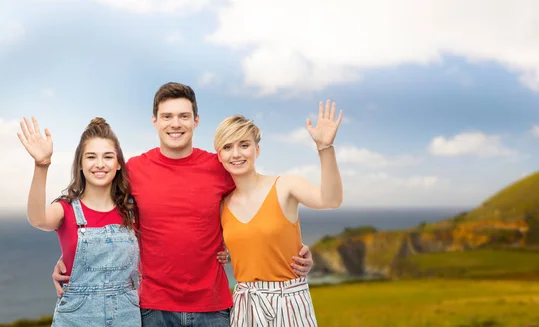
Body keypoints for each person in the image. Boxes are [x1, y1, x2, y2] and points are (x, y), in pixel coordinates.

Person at [51, 82, 315, 327]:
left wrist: (294, 246)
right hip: (153, 308)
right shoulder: (134, 170)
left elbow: (259, 203)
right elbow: (105, 211)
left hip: (213, 308)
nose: (175, 124)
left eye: (183, 116)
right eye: (167, 116)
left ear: (195, 121)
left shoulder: (220, 166)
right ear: (155, 121)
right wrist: (72, 256)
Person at [214, 99, 343, 326]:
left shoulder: (286, 186)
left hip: (290, 301)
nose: (236, 154)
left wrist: (325, 148)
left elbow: (330, 200)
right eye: (227, 147)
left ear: (257, 150)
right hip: (246, 305)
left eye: (244, 145)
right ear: (219, 155)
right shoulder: (221, 205)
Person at [18, 117, 141, 326]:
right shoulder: (66, 209)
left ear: (119, 163)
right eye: (91, 157)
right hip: (76, 318)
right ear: (81, 164)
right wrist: (42, 165)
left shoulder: (133, 210)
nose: (100, 164)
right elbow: (37, 219)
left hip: (126, 316)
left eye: (108, 157)